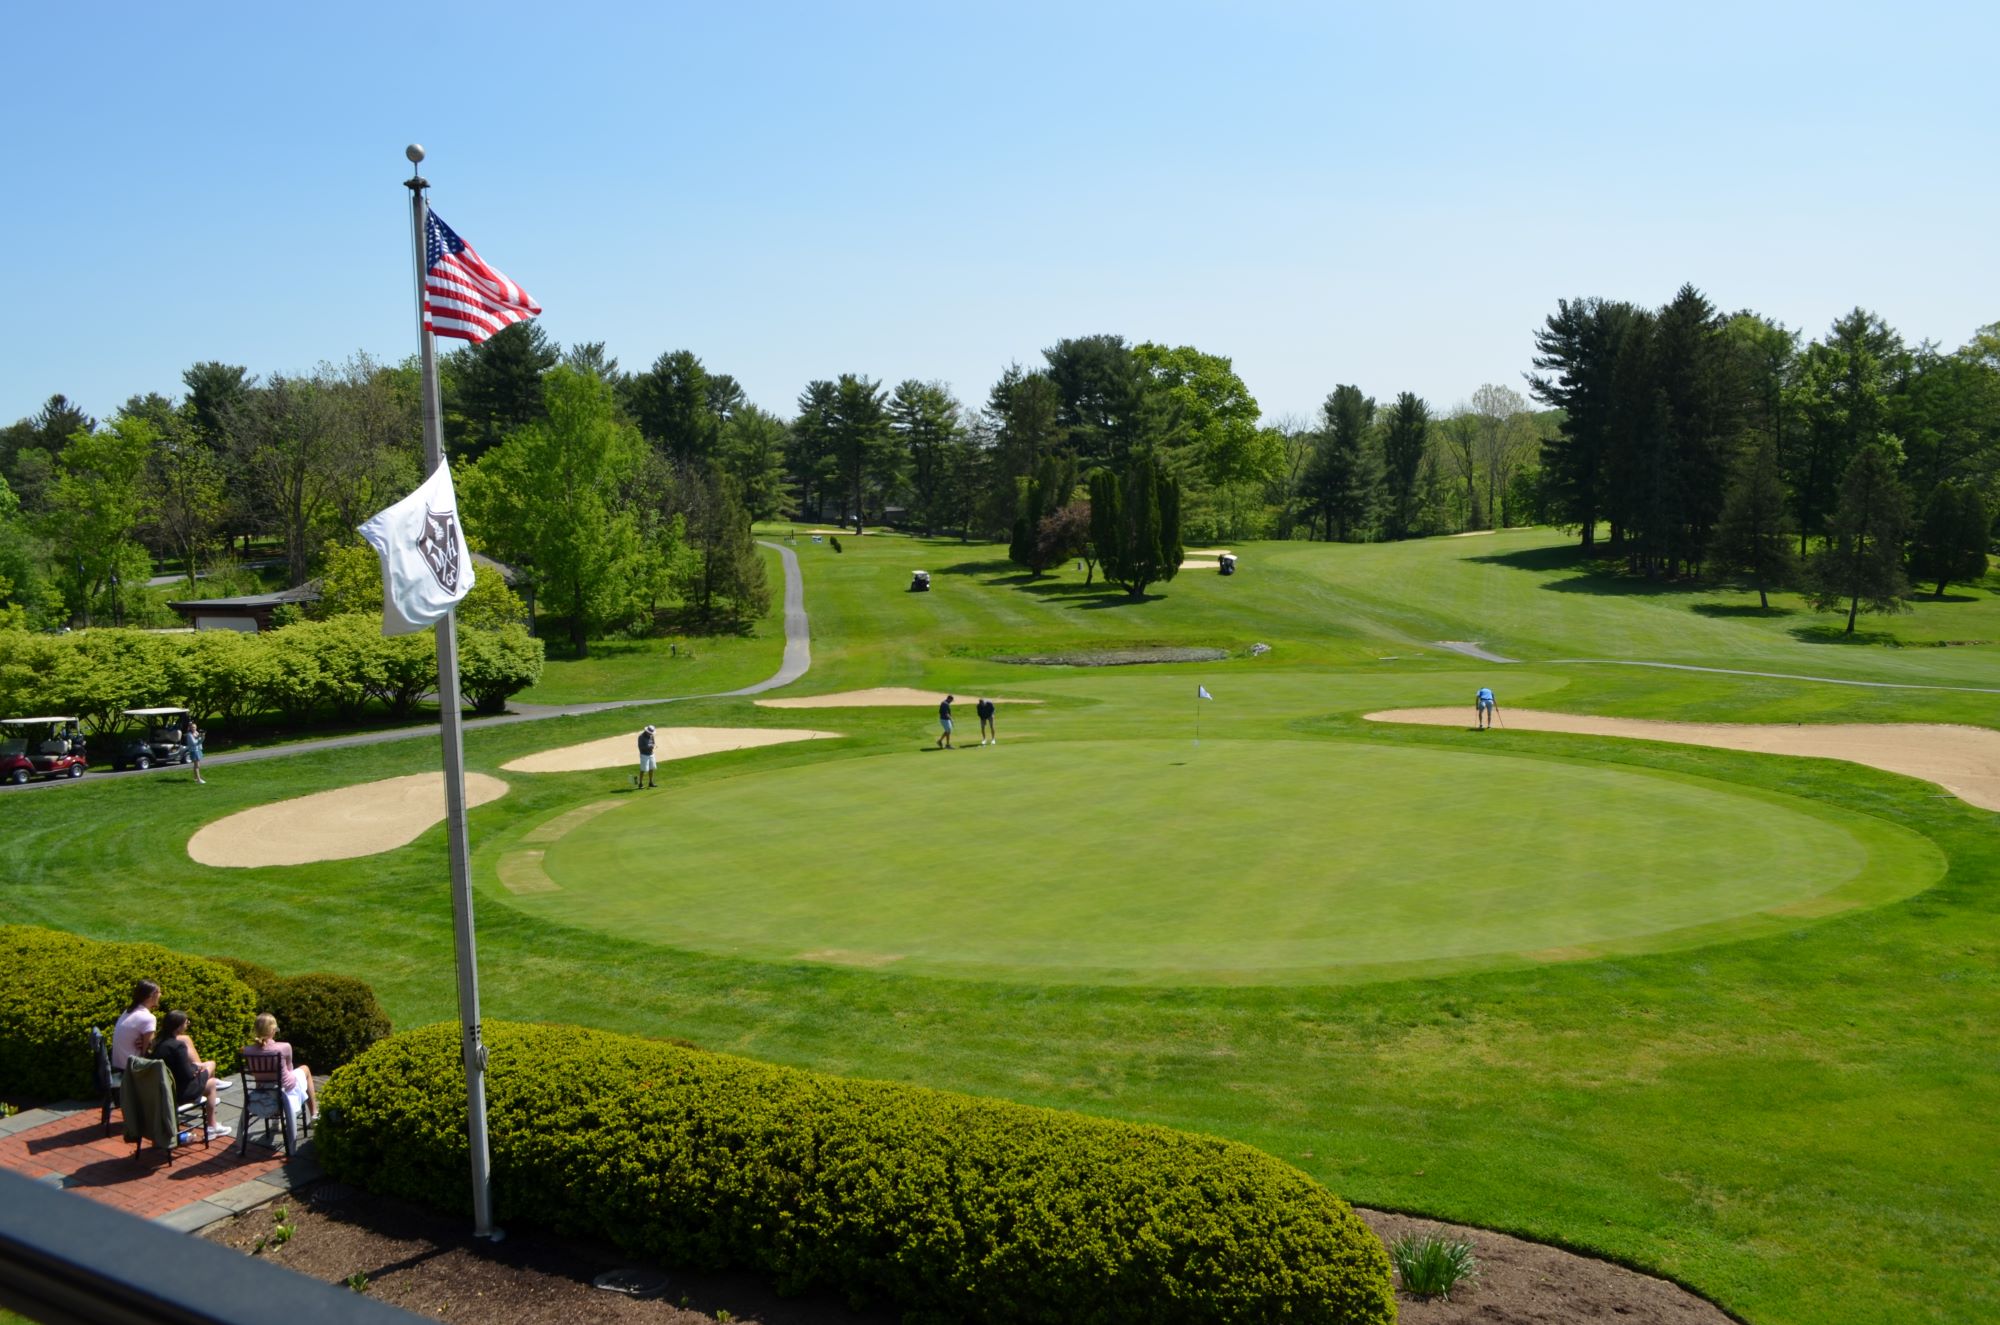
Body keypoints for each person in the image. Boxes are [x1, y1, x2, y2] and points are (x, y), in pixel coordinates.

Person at [153, 1010, 232, 1139]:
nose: (188, 1024)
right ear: (178, 1026)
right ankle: (212, 1127)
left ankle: (207, 1100)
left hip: (162, 1090)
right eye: (186, 1022)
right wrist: (196, 1067)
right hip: (178, 1093)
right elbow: (187, 1075)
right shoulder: (178, 1046)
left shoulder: (158, 1043)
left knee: (207, 1067)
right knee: (211, 1076)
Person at [243, 1013, 315, 1124]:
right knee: (305, 1069)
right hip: (285, 1088)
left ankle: (276, 1120)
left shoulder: (247, 1050)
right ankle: (314, 1114)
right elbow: (290, 1069)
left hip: (262, 1088)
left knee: (275, 1080)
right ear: (272, 1030)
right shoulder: (284, 1047)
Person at [111, 979, 160, 1070]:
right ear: (151, 996)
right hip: (132, 1072)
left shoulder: (127, 1012)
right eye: (159, 992)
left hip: (117, 1067)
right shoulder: (148, 1018)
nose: (160, 995)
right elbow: (148, 1052)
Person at [184, 717, 206, 784]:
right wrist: (200, 738)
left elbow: (200, 742)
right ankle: (199, 780)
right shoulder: (189, 735)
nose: (194, 728)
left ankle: (195, 777)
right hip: (194, 751)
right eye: (193, 727)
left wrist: (202, 737)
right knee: (196, 765)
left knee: (198, 765)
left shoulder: (196, 732)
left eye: (195, 727)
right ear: (190, 728)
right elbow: (194, 743)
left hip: (198, 750)